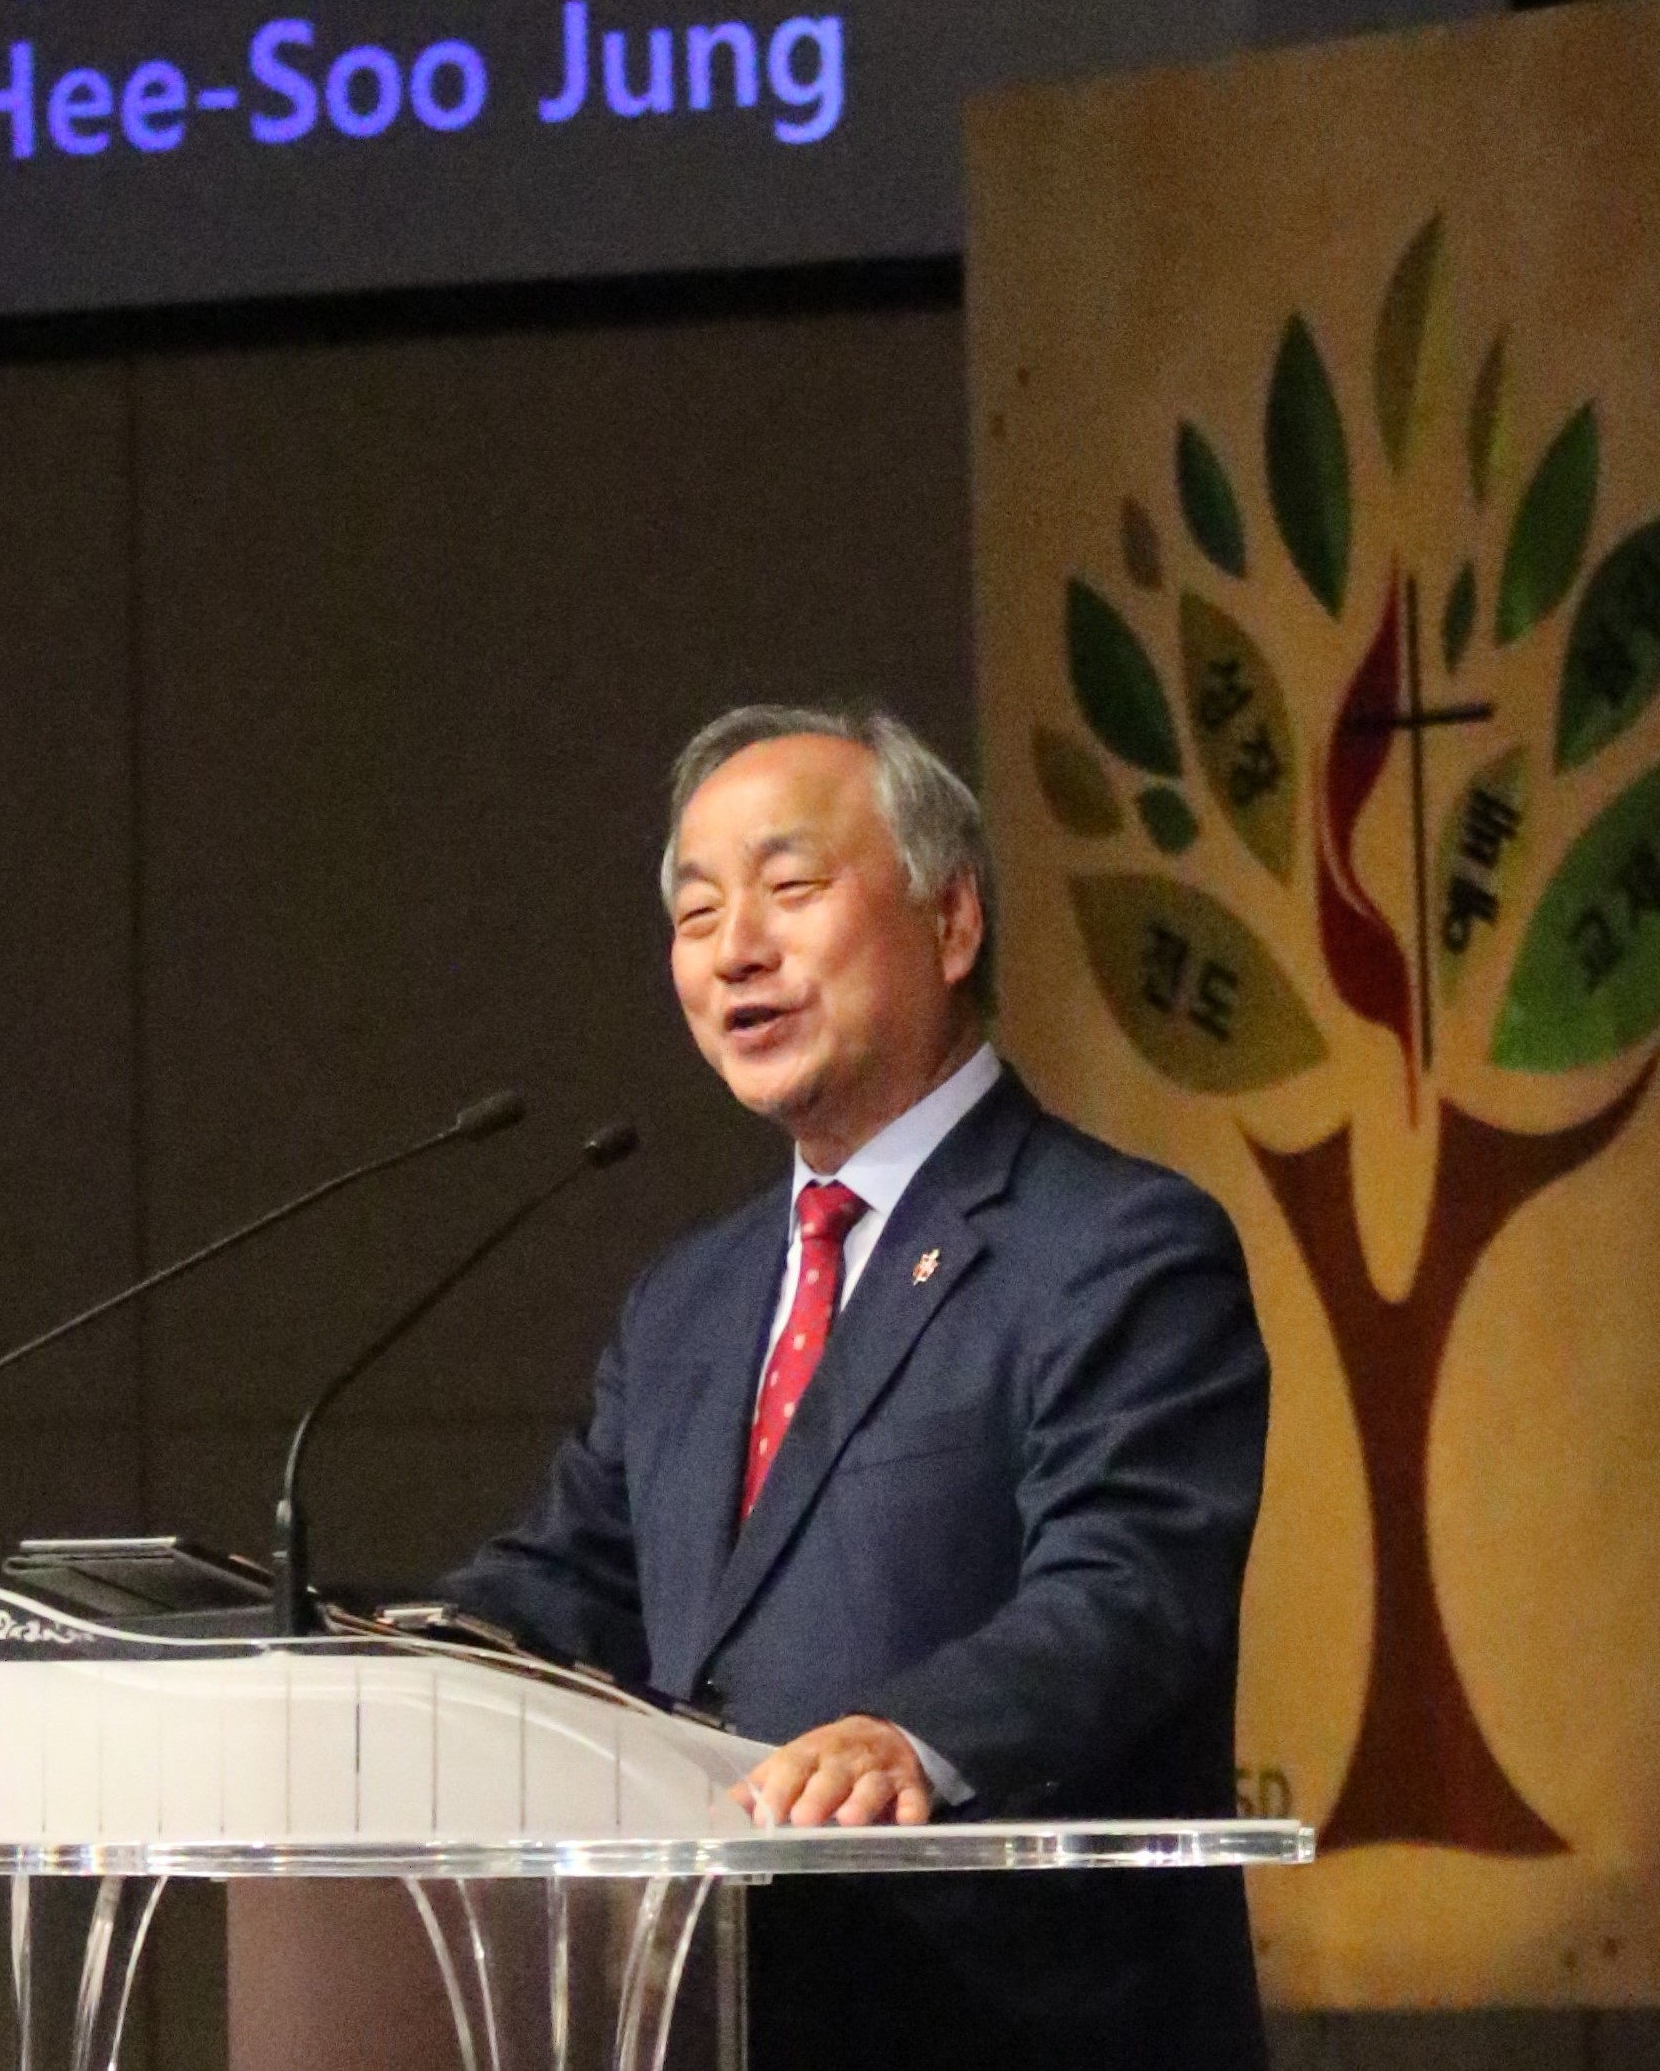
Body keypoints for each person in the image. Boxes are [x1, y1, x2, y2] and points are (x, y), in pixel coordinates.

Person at [443, 704, 1272, 2071]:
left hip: (1017, 2028)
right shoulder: (687, 1303)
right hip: (719, 2017)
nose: (734, 948)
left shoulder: (1116, 1246)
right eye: (696, 909)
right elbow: (561, 1590)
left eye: (788, 887)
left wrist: (910, 1734)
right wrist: (340, 1652)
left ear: (953, 924)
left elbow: (1127, 1591)